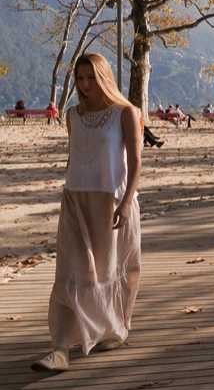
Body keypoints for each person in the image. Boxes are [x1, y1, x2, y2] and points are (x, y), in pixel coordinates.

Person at [32, 53, 142, 373]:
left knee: (114, 270)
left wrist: (125, 202)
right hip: (75, 199)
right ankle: (60, 349)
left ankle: (113, 328)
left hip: (113, 200)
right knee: (68, 273)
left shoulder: (126, 113)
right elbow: (74, 155)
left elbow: (135, 161)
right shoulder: (72, 115)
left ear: (104, 77)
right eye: (80, 78)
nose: (84, 84)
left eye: (91, 78)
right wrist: (67, 193)